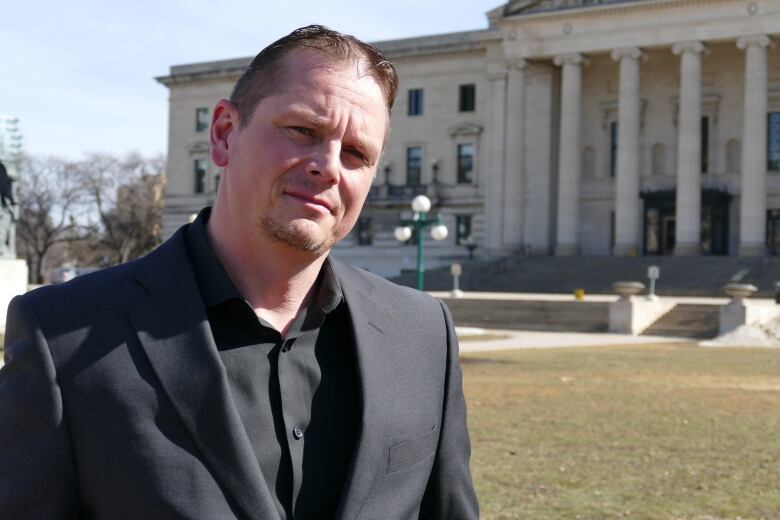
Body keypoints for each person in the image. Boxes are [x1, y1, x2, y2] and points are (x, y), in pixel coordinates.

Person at [0, 25, 478, 519]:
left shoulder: (424, 337)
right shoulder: (62, 338)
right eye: (303, 131)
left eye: (357, 153)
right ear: (225, 134)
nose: (329, 167)